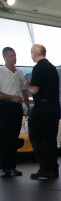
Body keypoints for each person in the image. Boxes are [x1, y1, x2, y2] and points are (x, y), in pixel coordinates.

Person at [27, 44, 61, 180]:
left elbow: (35, 89)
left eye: (31, 53)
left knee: (35, 135)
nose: (31, 56)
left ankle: (44, 168)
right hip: (54, 107)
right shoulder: (52, 68)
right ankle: (53, 169)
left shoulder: (39, 67)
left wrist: (26, 84)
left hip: (43, 107)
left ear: (35, 53)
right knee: (50, 138)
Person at [0, 47, 30, 178]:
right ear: (5, 57)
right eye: (11, 56)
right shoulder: (1, 72)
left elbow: (24, 90)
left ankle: (12, 166)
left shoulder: (19, 72)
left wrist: (28, 106)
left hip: (17, 108)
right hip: (4, 107)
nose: (14, 58)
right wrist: (11, 97)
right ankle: (4, 167)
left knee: (13, 137)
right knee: (4, 137)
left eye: (15, 55)